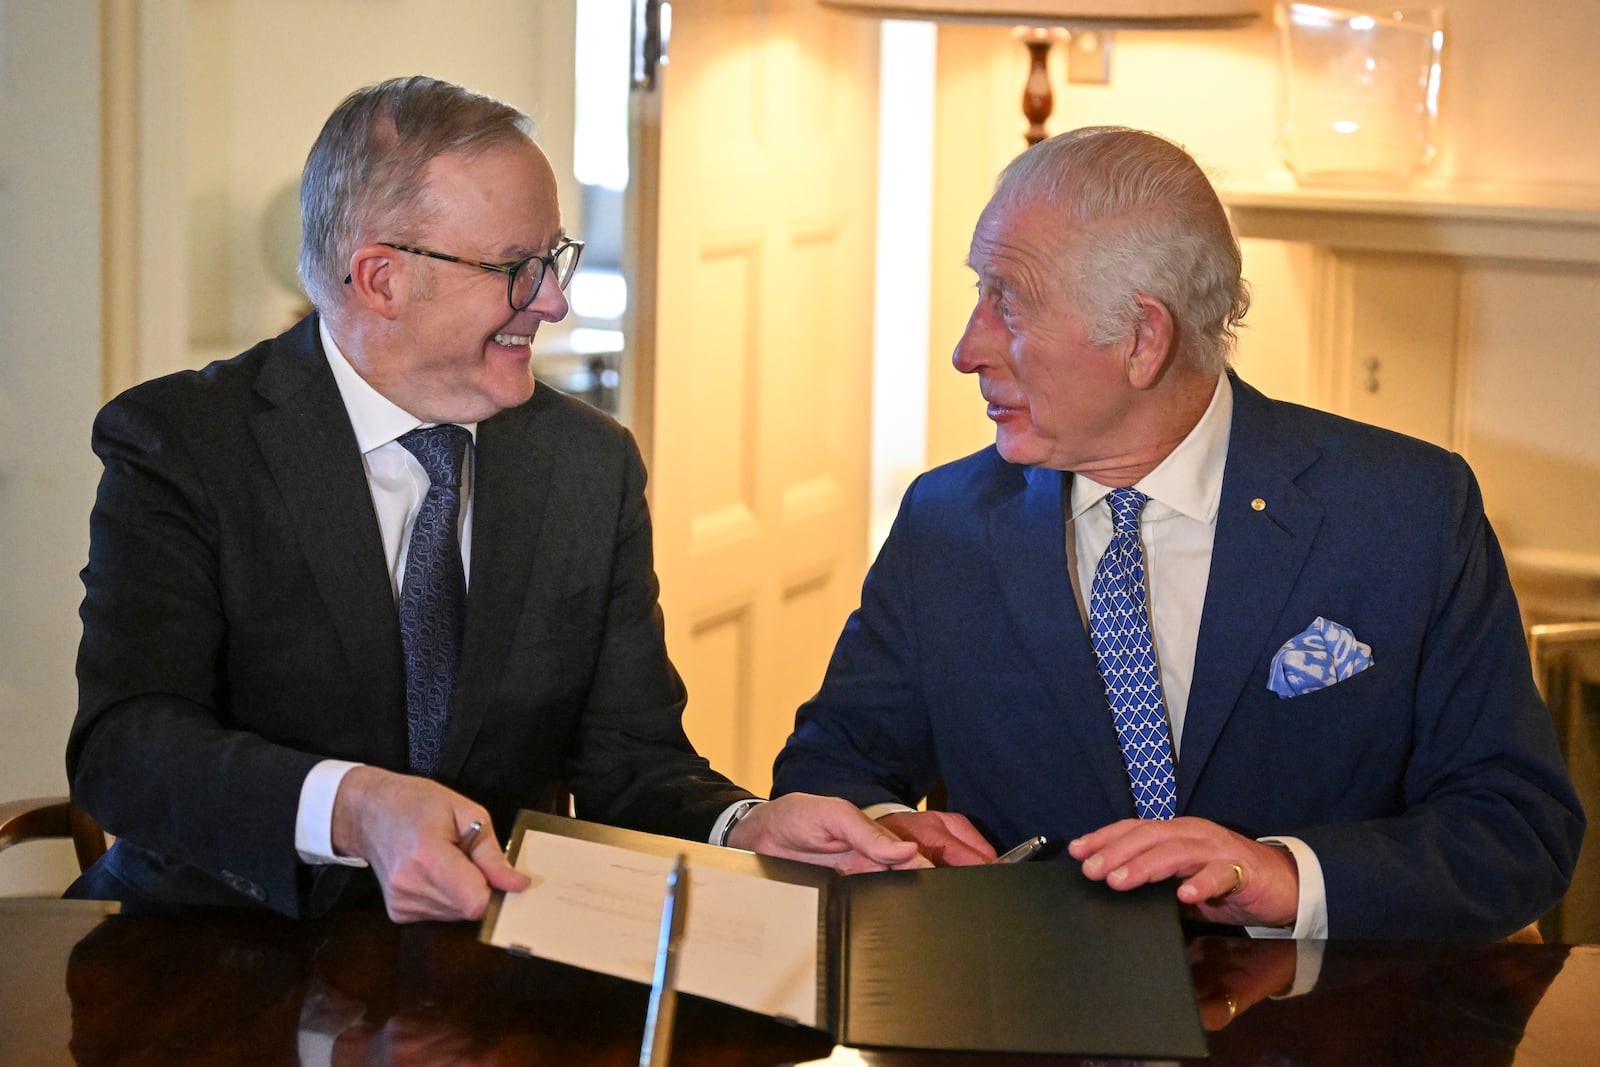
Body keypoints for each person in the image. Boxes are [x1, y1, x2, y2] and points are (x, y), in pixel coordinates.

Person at [66, 75, 920, 923]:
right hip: (208, 955)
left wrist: (747, 826)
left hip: (483, 967)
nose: (553, 299)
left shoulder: (589, 463)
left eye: (553, 257)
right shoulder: (183, 442)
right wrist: (356, 807)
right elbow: (128, 749)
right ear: (382, 279)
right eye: (517, 268)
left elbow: (632, 762)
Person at [771, 126, 1584, 941]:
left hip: (1321, 1027)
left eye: (1007, 303)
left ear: (1142, 339)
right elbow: (828, 764)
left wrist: (1287, 874)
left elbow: (1517, 829)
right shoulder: (944, 523)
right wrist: (884, 827)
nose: (966, 348)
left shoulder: (1407, 512)